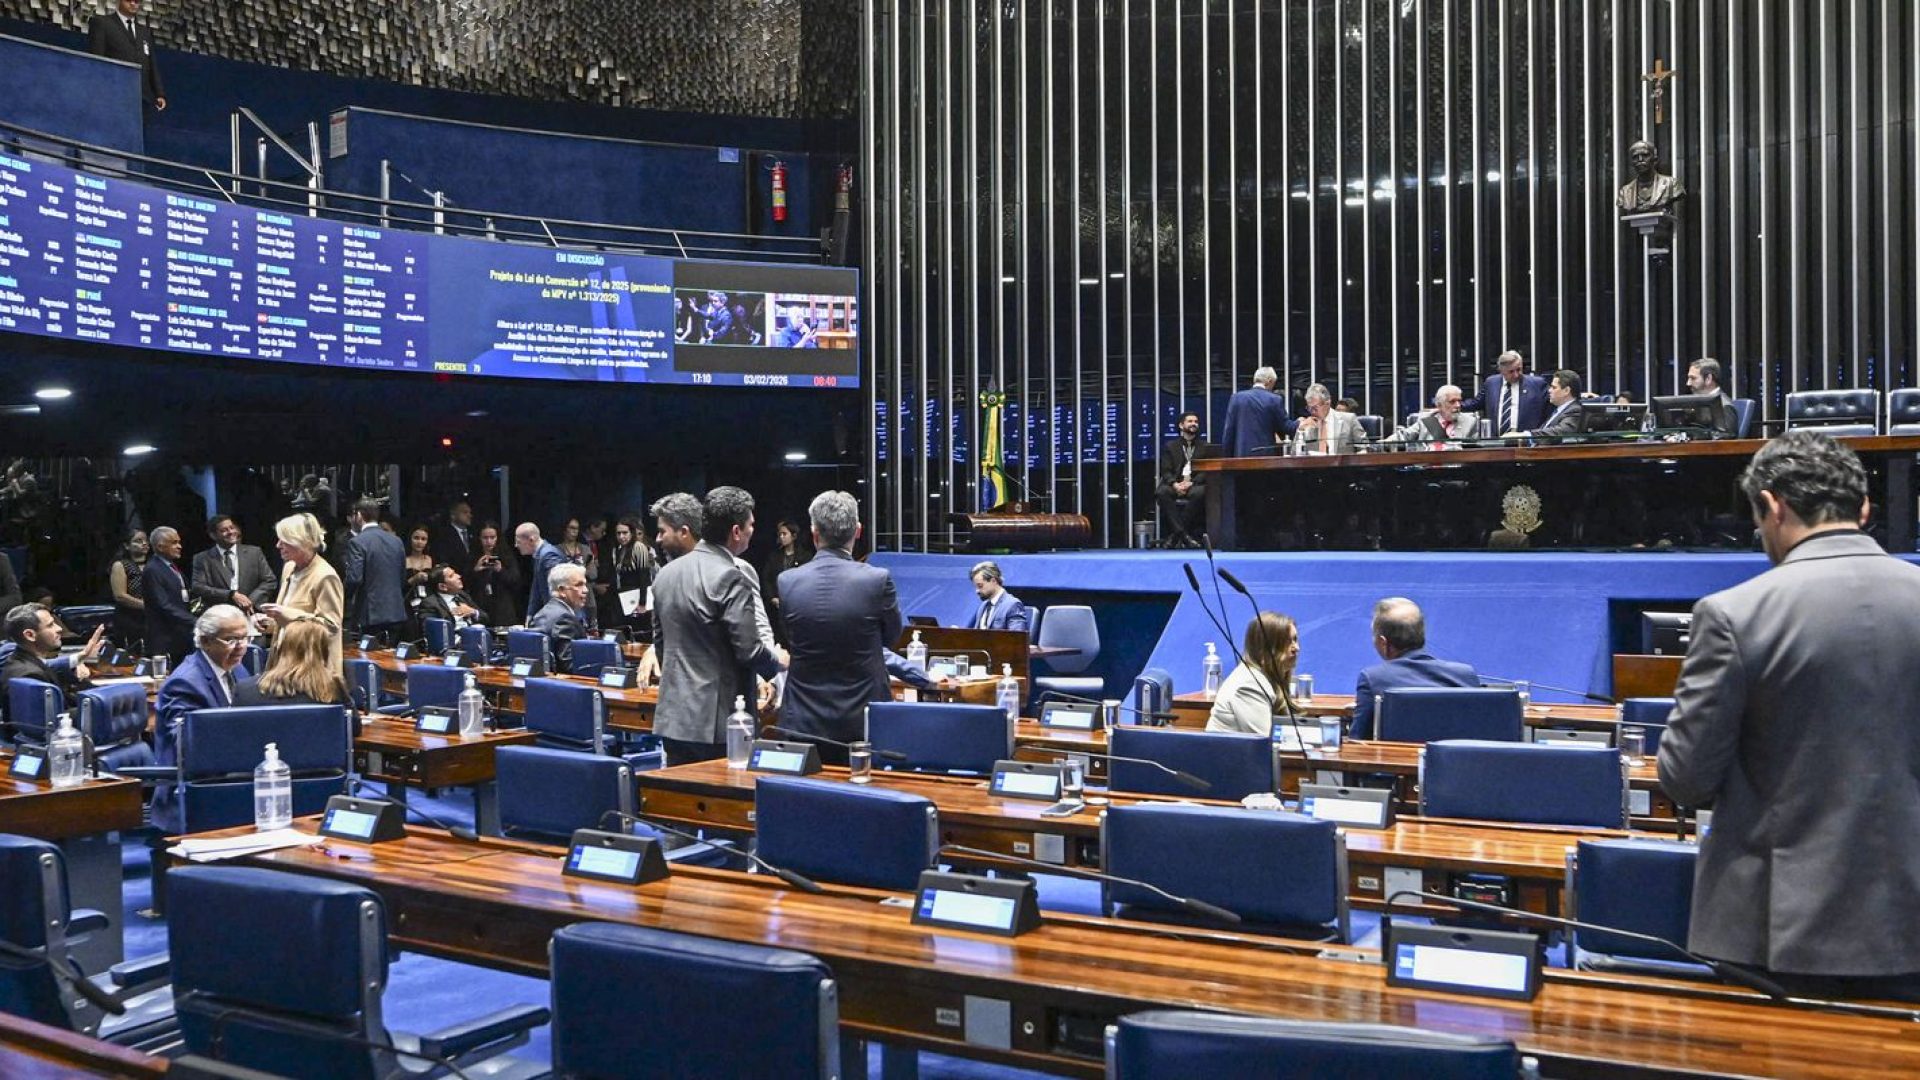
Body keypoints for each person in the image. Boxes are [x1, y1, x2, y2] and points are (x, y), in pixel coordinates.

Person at [1657, 432, 1920, 1000]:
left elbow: (1687, 778)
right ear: (1865, 510)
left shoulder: (1734, 614)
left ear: (1772, 505)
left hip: (1781, 930)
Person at [648, 488, 787, 765]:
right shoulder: (730, 576)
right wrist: (777, 662)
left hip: (673, 718)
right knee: (726, 803)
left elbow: (662, 646)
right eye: (751, 525)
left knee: (674, 803)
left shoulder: (665, 574)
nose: (752, 531)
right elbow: (748, 650)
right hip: (719, 724)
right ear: (737, 531)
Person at [776, 491, 903, 752]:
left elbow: (791, 638)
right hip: (864, 722)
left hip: (802, 720)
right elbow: (891, 638)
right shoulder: (878, 579)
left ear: (814, 533)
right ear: (858, 531)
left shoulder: (787, 581)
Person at [151, 605, 251, 833]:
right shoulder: (185, 683)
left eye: (244, 638)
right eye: (231, 640)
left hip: (228, 783)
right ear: (205, 641)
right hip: (193, 795)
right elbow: (188, 744)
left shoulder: (238, 670)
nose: (241, 647)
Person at [1349, 598, 1482, 740]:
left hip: (1395, 761)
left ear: (1383, 643)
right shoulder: (1466, 675)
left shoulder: (1372, 679)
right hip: (1457, 762)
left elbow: (1358, 740)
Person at [233, 616, 356, 732]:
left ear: (280, 648)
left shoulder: (244, 690)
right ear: (323, 652)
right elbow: (354, 728)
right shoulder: (333, 688)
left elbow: (233, 733)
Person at [257, 512, 344, 672]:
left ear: (300, 541)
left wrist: (289, 614)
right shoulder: (289, 567)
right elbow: (288, 619)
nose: (277, 545)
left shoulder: (325, 576)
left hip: (312, 667)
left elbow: (330, 628)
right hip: (283, 661)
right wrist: (271, 623)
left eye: (283, 541)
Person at [1205, 611, 1299, 737]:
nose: (1296, 648)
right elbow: (1265, 744)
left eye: (1295, 639)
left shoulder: (1266, 676)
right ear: (1268, 647)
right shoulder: (1250, 684)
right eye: (1288, 642)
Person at [0, 602, 101, 698]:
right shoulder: (29, 675)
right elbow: (49, 715)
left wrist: (81, 657)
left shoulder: (25, 661)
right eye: (50, 625)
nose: (59, 629)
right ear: (30, 635)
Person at [189, 515, 279, 617]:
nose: (231, 532)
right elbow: (198, 587)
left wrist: (249, 600)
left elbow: (269, 580)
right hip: (220, 615)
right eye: (224, 530)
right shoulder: (202, 558)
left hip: (252, 612)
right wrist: (230, 595)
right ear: (213, 535)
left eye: (232, 527)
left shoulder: (254, 552)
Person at [344, 499, 407, 641]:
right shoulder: (396, 541)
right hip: (395, 610)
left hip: (370, 613)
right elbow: (402, 576)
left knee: (369, 658)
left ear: (359, 515)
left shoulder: (357, 542)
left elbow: (354, 578)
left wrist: (343, 597)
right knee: (391, 658)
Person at [86, 0, 166, 112]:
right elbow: (96, 60)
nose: (133, 4)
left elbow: (151, 64)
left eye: (137, 1)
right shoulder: (102, 23)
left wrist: (159, 93)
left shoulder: (145, 32)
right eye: (129, 0)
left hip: (142, 97)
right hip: (113, 94)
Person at [1156, 411, 1216, 549]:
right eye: (1190, 421)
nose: (1194, 424)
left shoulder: (1205, 447)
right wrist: (1175, 484)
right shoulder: (1170, 446)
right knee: (1162, 492)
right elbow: (1165, 470)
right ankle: (1184, 536)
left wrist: (1191, 483)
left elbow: (1206, 470)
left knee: (1200, 493)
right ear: (1181, 425)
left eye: (1196, 422)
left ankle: (1175, 535)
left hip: (1194, 484)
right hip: (1175, 483)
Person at [141, 525, 194, 664]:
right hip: (164, 637)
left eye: (179, 542)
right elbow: (163, 604)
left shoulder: (171, 567)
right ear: (160, 547)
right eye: (174, 543)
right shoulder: (153, 569)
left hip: (181, 635)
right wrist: (194, 620)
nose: (179, 546)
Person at [1464, 351, 1550, 435]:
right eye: (1511, 371)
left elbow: (1550, 409)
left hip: (1527, 441)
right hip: (1497, 442)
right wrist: (1455, 406)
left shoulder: (1537, 384)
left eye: (1519, 369)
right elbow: (1475, 403)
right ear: (1501, 370)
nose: (1516, 375)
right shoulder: (1491, 383)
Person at [527, 563, 593, 673]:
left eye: (585, 585)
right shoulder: (565, 618)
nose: (586, 590)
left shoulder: (542, 613)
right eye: (579, 585)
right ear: (562, 591)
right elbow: (568, 665)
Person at [1219, 366, 1292, 457]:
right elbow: (1285, 427)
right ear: (1269, 381)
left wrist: (1227, 460)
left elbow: (1228, 432)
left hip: (1241, 457)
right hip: (1266, 459)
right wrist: (1300, 423)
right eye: (1274, 384)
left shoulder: (1236, 398)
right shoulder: (1274, 399)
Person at [760, 518, 811, 642]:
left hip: (798, 606)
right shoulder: (774, 556)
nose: (782, 537)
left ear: (793, 536)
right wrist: (772, 597)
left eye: (785, 534)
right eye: (780, 534)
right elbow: (766, 578)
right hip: (777, 606)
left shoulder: (805, 556)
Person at [603, 516, 655, 633]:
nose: (622, 536)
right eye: (618, 533)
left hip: (637, 596)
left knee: (639, 631)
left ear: (632, 533)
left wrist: (643, 603)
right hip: (624, 597)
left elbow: (644, 577)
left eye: (625, 533)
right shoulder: (619, 549)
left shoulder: (639, 547)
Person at [1504, 369, 1586, 439]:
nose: (1549, 390)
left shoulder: (1575, 410)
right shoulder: (1557, 411)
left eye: (1554, 387)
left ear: (1566, 391)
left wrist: (1526, 435)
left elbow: (1561, 431)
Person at [469, 522, 523, 628]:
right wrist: (476, 570)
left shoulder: (506, 555)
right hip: (480, 605)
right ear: (479, 538)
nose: (489, 541)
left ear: (497, 538)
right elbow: (464, 583)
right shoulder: (473, 556)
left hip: (502, 607)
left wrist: (500, 570)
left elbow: (515, 580)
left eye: (492, 537)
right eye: (485, 538)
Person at [1386, 384, 1479, 444]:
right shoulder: (1426, 420)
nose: (1458, 405)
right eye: (1452, 402)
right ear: (1439, 405)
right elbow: (1404, 436)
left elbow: (1474, 450)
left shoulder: (1470, 422)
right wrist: (1382, 444)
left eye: (1459, 401)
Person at [1292, 383, 1363, 455]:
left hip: (1342, 465)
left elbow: (1364, 448)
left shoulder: (1349, 420)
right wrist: (1300, 430)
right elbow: (1294, 455)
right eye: (1309, 408)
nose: (1312, 412)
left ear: (1327, 403)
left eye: (1315, 408)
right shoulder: (1307, 425)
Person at [108, 528, 149, 653]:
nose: (144, 543)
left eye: (145, 540)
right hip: (129, 619)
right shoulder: (121, 565)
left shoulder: (153, 564)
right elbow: (120, 596)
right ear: (127, 545)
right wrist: (147, 605)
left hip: (151, 619)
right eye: (138, 541)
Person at [415, 564, 486, 634]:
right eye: (451, 576)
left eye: (455, 573)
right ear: (442, 586)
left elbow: (485, 618)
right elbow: (431, 632)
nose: (458, 576)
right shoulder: (429, 603)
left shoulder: (462, 595)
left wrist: (473, 612)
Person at [516, 522, 567, 618]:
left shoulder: (549, 555)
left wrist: (547, 617)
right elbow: (536, 588)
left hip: (558, 616)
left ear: (531, 540)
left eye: (518, 542)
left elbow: (556, 590)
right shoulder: (539, 555)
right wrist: (530, 614)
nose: (516, 545)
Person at [966, 560, 1029, 632]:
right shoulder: (983, 606)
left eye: (980, 586)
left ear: (993, 581)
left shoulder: (1012, 605)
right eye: (976, 587)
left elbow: (1017, 639)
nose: (977, 591)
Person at [1685, 358, 1740, 438]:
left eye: (1693, 378)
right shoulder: (1696, 403)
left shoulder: (1724, 406)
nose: (1688, 383)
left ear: (1708, 379)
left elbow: (1727, 438)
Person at [429, 500, 477, 573]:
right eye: (465, 512)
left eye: (470, 512)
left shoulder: (474, 533)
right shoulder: (443, 535)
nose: (470, 515)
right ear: (453, 515)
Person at [402, 526, 435, 603]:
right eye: (416, 538)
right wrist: (413, 579)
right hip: (408, 600)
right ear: (410, 539)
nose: (419, 542)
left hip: (429, 601)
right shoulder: (403, 560)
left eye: (423, 539)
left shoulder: (431, 559)